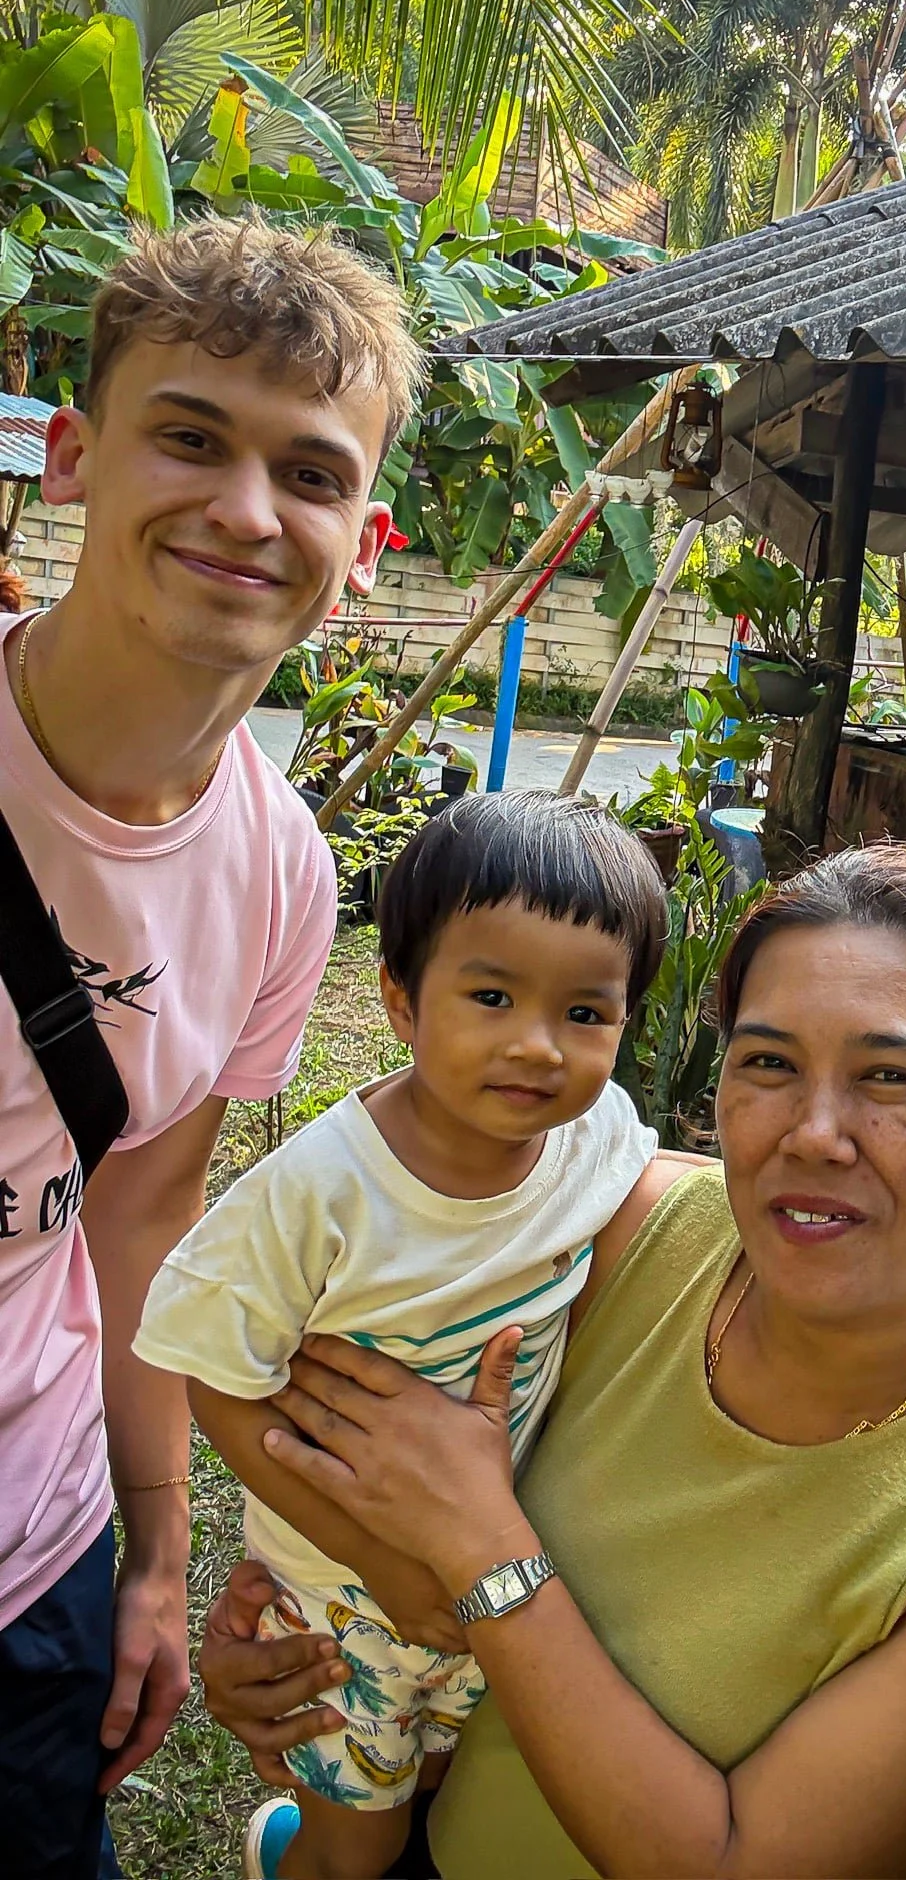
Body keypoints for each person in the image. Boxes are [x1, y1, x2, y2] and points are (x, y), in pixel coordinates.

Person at [198, 842, 906, 1880]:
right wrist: (301, 1616)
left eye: (890, 1075)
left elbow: (733, 1862)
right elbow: (332, 1386)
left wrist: (481, 1548)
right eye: (769, 1062)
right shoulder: (608, 1227)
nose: (816, 1133)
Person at [0, 216, 422, 1879]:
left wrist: (158, 1555)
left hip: (35, 1559)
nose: (248, 511)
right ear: (74, 454)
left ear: (363, 541)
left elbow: (143, 1213)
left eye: (310, 472)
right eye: (190, 436)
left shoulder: (285, 872)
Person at [134, 793, 668, 1879]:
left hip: (491, 1557)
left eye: (586, 1012)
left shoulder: (597, 1141)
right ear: (400, 1001)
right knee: (361, 1841)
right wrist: (383, 1562)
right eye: (489, 994)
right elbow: (216, 1383)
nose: (536, 1045)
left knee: (445, 1789)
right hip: (339, 1585)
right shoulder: (318, 1197)